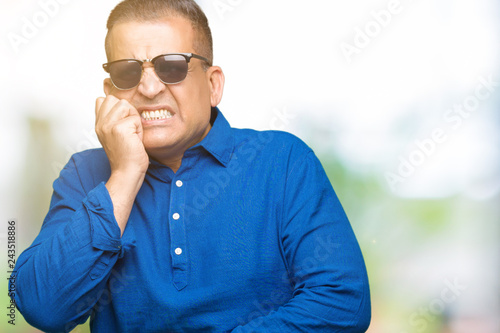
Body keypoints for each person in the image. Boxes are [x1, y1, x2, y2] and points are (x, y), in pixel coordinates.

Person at [11, 0, 371, 331]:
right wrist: (124, 175)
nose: (149, 88)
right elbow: (45, 309)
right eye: (127, 72)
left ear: (213, 85)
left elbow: (342, 302)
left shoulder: (283, 161)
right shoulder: (85, 174)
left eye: (172, 67)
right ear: (110, 92)